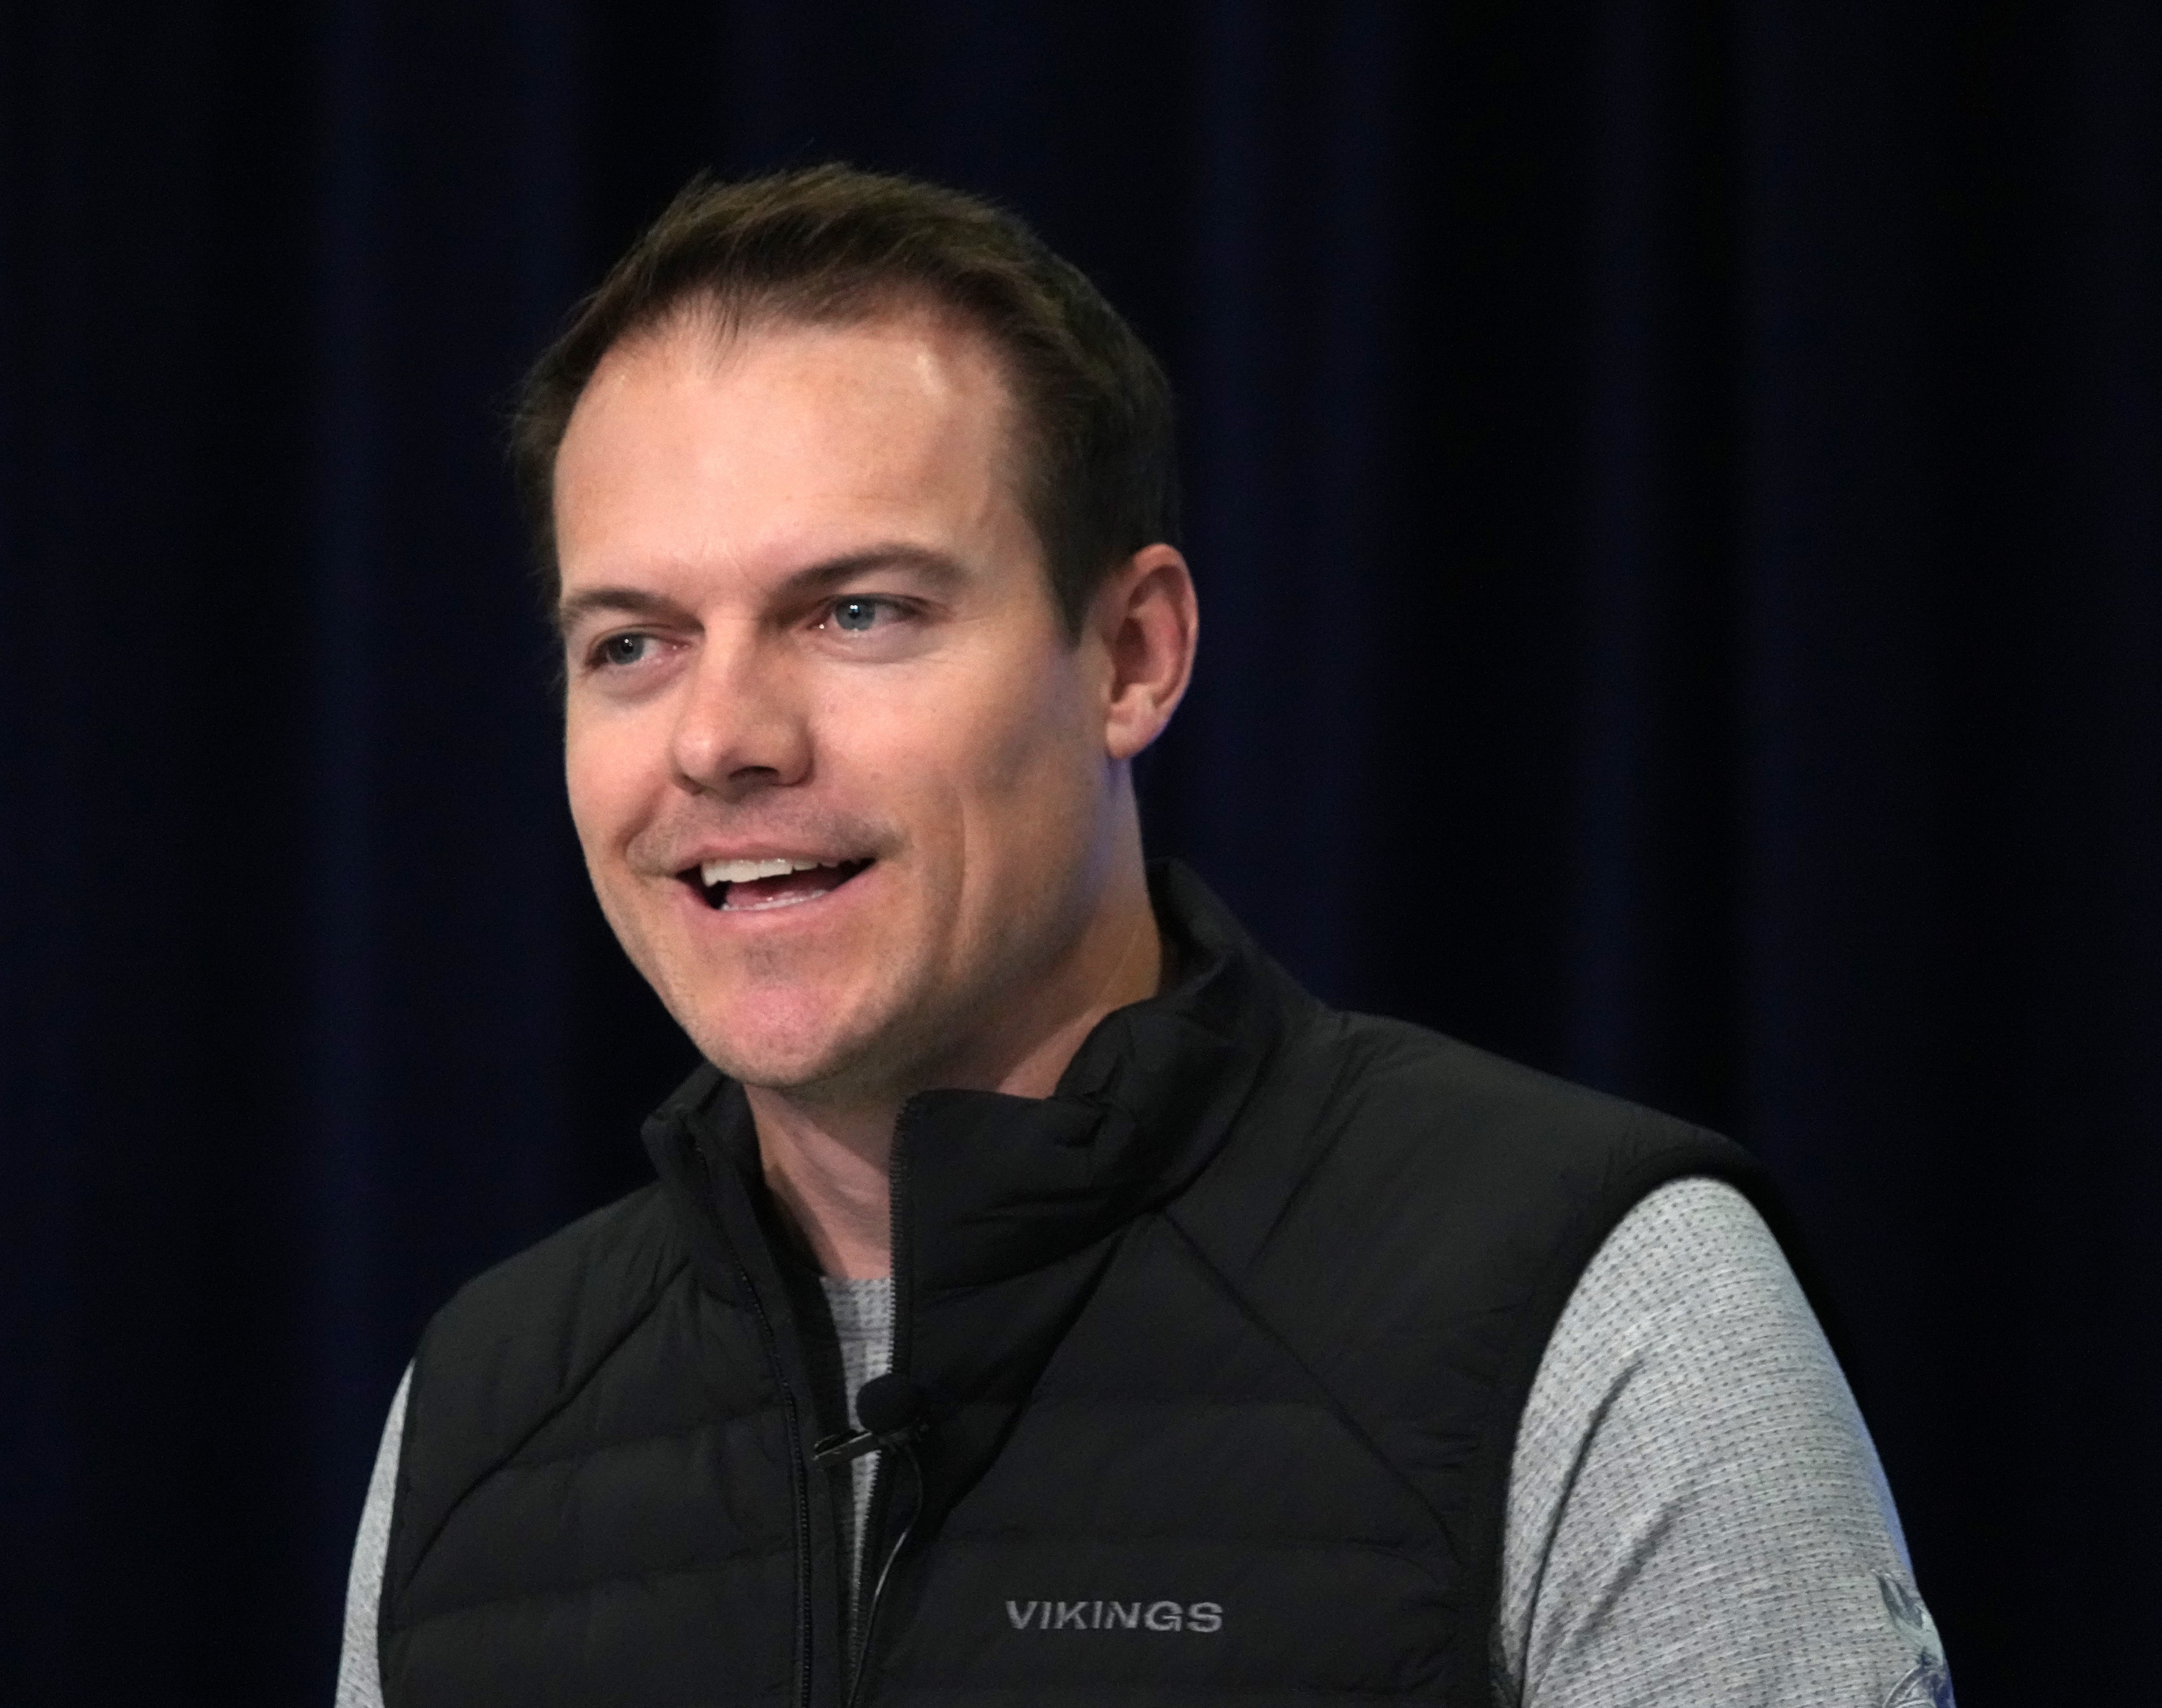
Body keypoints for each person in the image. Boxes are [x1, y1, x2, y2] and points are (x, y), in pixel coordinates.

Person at [336, 165, 1953, 1708]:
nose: (721, 738)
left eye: (858, 612)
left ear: (1130, 654)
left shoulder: (1591, 1301)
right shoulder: (481, 1414)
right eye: (633, 642)